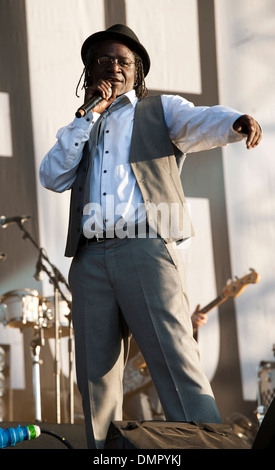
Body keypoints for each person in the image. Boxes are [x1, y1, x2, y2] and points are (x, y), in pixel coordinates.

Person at [39, 24, 262, 449]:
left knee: (175, 361)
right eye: (104, 60)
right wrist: (88, 115)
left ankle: (208, 446)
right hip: (90, 259)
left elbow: (200, 120)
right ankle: (106, 456)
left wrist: (234, 121)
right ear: (90, 70)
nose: (114, 67)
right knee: (96, 378)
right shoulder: (84, 124)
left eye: (124, 61)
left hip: (145, 248)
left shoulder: (160, 110)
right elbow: (52, 175)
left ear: (137, 71)